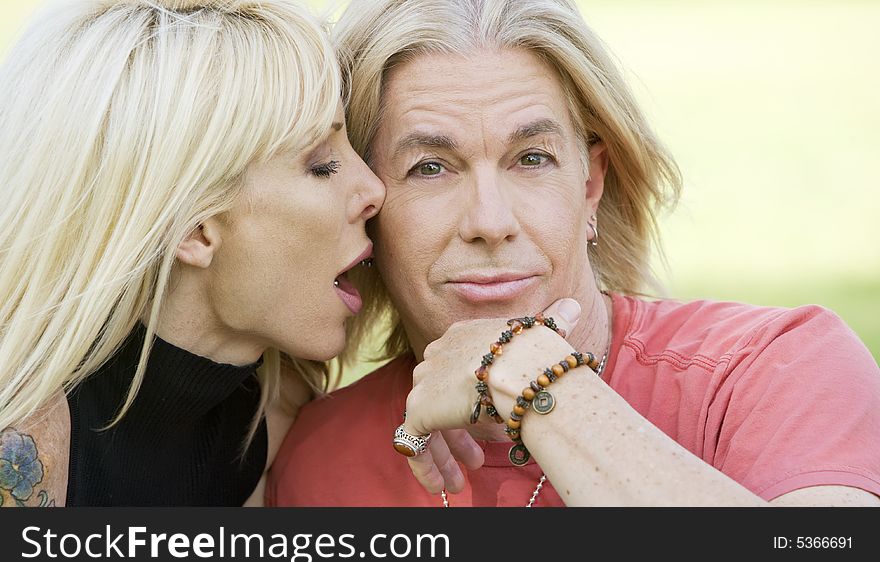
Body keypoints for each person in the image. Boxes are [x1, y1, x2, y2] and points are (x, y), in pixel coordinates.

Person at [266, 0, 880, 507]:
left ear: (591, 185)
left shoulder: (775, 371)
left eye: (532, 158)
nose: (490, 222)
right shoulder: (321, 460)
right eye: (430, 168)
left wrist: (533, 379)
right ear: (366, 202)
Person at [0, 0, 384, 506]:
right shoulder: (26, 439)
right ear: (195, 231)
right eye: (321, 165)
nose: (374, 190)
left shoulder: (274, 412)